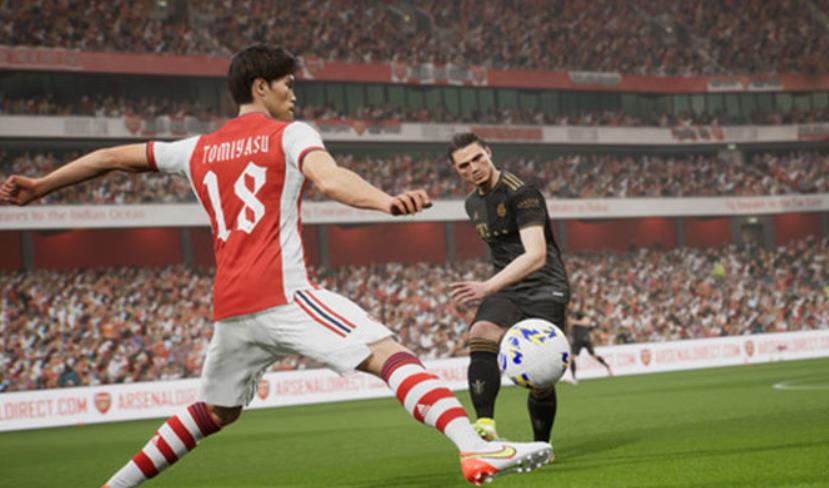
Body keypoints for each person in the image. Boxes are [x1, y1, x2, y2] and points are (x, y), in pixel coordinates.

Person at [0, 45, 551, 487]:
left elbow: (109, 158)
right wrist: (386, 201)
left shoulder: (194, 149)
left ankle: (115, 484)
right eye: (288, 84)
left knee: (216, 412)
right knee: (390, 355)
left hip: (231, 309)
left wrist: (41, 186)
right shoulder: (290, 133)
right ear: (261, 87)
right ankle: (476, 449)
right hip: (284, 294)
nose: (294, 94)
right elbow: (330, 179)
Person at [448, 132, 570, 451]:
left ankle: (541, 445)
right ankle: (485, 426)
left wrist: (487, 286)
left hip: (545, 286)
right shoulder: (472, 204)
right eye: (464, 165)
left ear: (489, 153)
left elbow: (536, 255)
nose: (473, 167)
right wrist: (495, 287)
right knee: (481, 332)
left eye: (478, 158)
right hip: (509, 288)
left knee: (540, 377)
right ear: (457, 170)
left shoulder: (522, 194)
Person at [566, 303, 612, 384]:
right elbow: (570, 326)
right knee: (572, 358)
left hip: (584, 338)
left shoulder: (579, 315)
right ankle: (573, 378)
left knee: (594, 355)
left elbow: (586, 322)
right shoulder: (569, 315)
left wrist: (574, 322)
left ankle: (607, 366)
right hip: (577, 340)